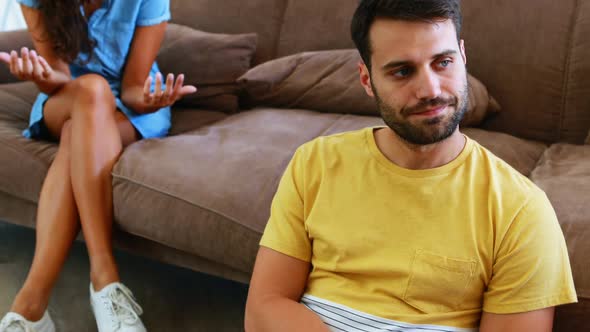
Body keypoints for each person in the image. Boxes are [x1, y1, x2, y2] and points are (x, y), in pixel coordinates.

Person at [244, 0, 578, 331]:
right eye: (403, 71)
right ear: (366, 79)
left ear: (463, 58)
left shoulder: (521, 211)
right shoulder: (314, 163)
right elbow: (264, 309)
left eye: (443, 62)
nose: (430, 90)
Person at [0, 0, 196, 331]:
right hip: (66, 98)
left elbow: (134, 89)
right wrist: (40, 75)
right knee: (92, 89)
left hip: (128, 108)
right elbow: (59, 77)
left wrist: (150, 101)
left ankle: (30, 309)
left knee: (79, 134)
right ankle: (105, 280)